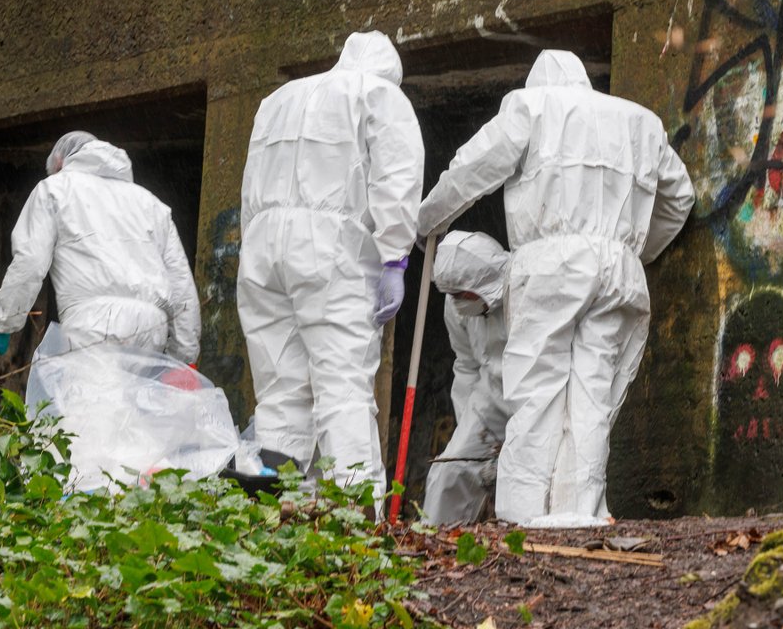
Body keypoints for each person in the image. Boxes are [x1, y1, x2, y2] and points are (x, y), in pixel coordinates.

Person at [416, 50, 695, 526]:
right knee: (592, 395)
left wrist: (427, 221)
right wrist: (638, 251)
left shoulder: (531, 106)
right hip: (620, 269)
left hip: (552, 264)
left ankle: (521, 517)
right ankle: (574, 514)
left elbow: (474, 168)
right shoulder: (642, 123)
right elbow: (680, 196)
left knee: (538, 392)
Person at [237, 30, 424, 506]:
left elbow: (250, 184)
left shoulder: (277, 99)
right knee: (341, 386)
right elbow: (396, 179)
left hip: (263, 251)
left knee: (280, 393)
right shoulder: (380, 95)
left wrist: (252, 255)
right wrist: (395, 256)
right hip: (330, 250)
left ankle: (276, 520)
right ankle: (355, 520)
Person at [0, 131, 201, 362]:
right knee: (136, 398)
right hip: (152, 328)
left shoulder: (54, 188)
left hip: (93, 325)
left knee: (89, 398)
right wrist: (186, 356)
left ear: (59, 161)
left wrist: (3, 323)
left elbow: (30, 261)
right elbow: (181, 283)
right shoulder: (151, 203)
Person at [422, 231, 510, 525]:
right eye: (452, 295)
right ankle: (435, 544)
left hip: (535, 396)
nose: (458, 302)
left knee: (525, 481)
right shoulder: (457, 307)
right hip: (490, 399)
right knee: (450, 470)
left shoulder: (522, 290)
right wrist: (470, 424)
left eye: (462, 295)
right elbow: (467, 365)